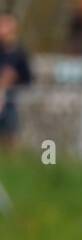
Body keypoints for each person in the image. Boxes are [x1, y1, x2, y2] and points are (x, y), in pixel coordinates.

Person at [0, 14, 33, 150]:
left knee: (11, 136)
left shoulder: (19, 53)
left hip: (9, 101)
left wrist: (14, 78)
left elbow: (28, 78)